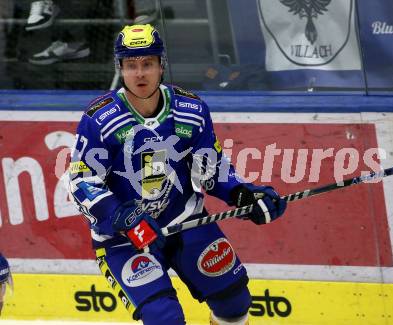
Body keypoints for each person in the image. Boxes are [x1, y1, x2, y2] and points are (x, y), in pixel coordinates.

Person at [68, 23, 286, 325]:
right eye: (131, 65)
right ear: (120, 68)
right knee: (164, 318)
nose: (140, 73)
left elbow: (211, 169)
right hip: (125, 239)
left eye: (147, 64)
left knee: (235, 303)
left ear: (161, 66)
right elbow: (81, 182)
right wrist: (123, 216)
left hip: (185, 221)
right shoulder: (100, 118)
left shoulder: (190, 109)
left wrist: (243, 193)